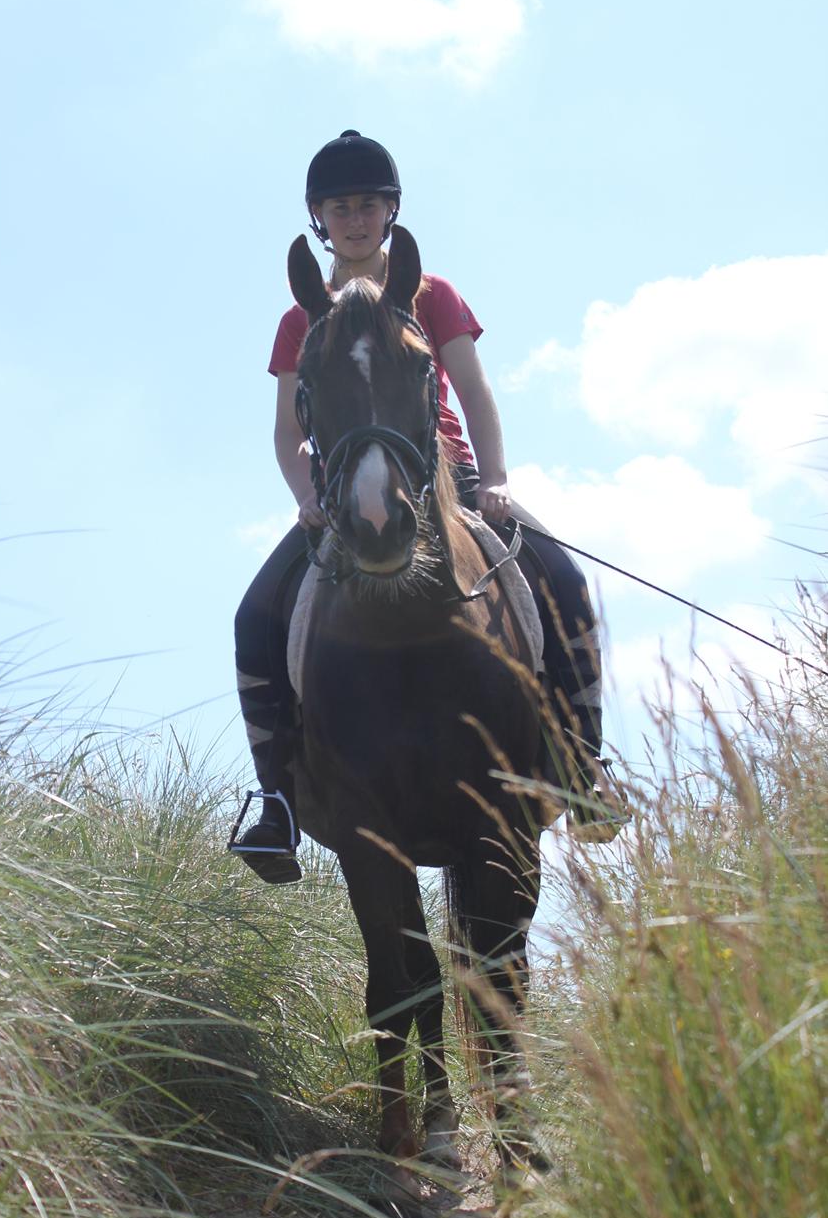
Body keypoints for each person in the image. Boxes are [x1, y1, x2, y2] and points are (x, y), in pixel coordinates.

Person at [231, 129, 625, 884]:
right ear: (319, 217)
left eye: (369, 204)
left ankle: (582, 763)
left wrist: (498, 478)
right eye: (339, 206)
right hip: (342, 488)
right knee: (255, 615)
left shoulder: (431, 294)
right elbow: (288, 432)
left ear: (390, 211)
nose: (354, 218)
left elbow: (473, 393)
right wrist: (306, 497)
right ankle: (276, 798)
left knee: (564, 579)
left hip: (443, 473)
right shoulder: (299, 317)